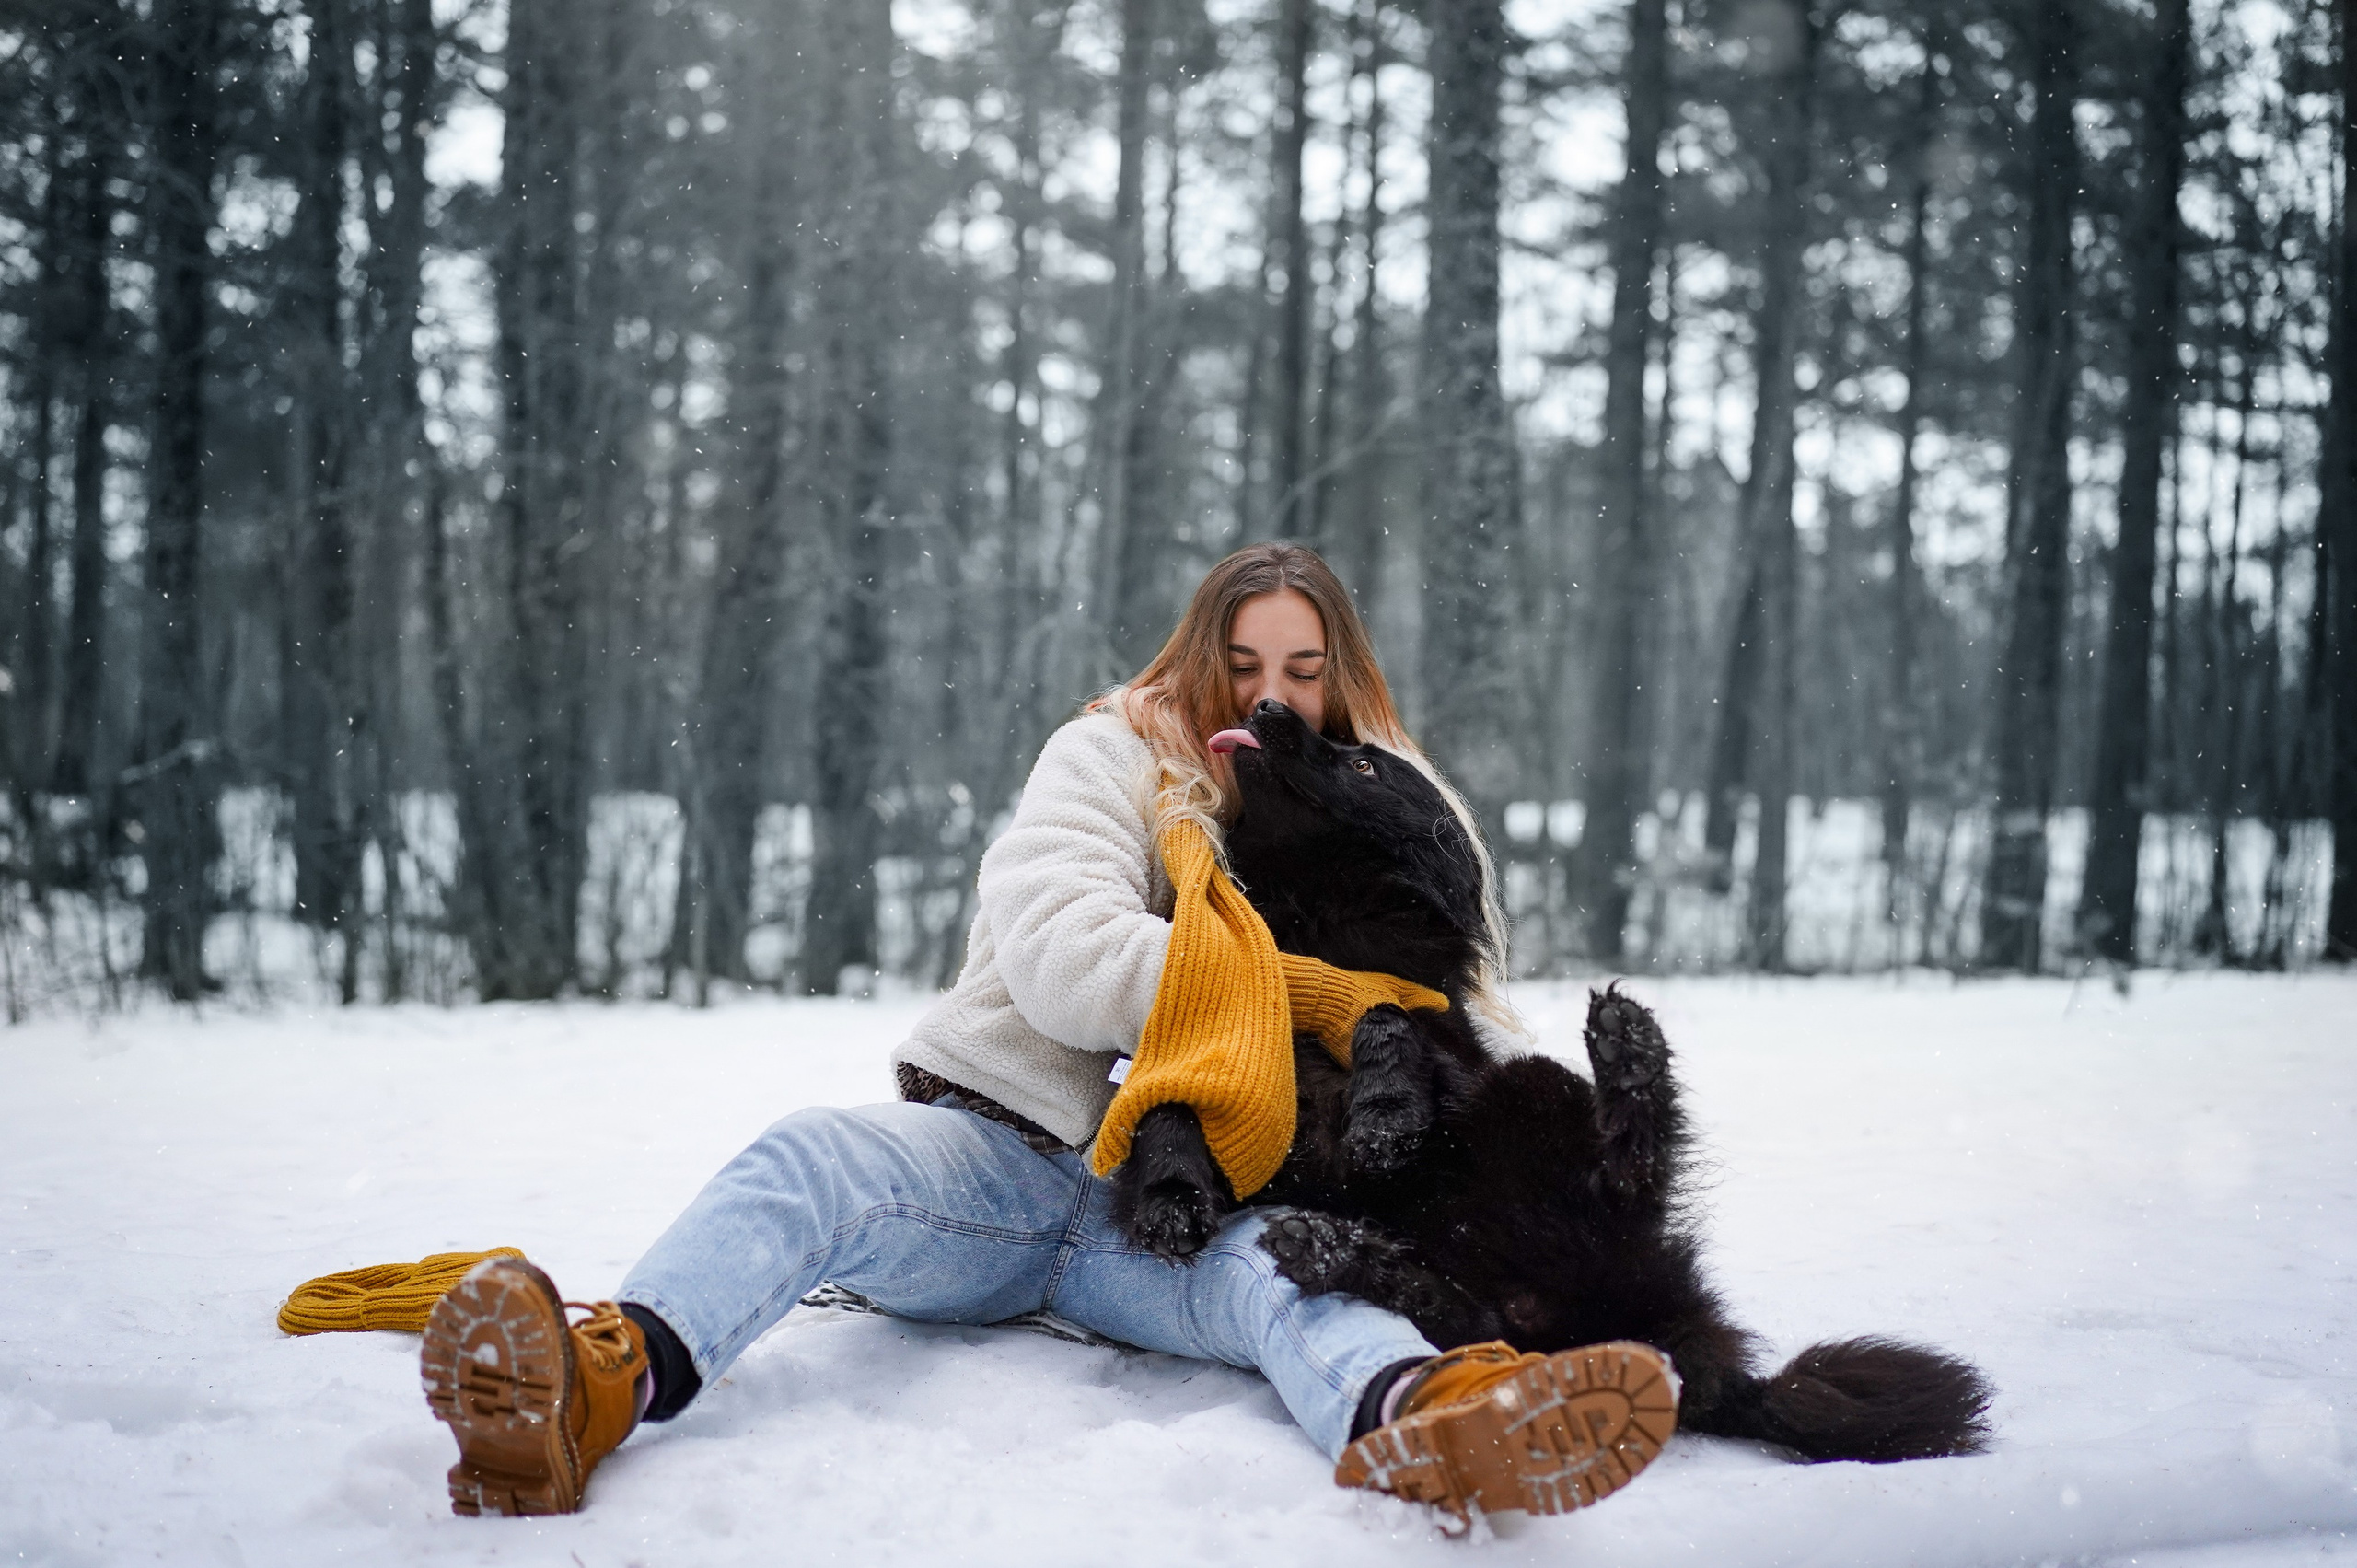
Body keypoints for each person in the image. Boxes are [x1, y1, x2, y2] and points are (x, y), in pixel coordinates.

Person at [419, 543, 1678, 1522]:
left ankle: (1440, 1421)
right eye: (1244, 665)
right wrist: (1302, 996)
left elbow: (1442, 1025)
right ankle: (594, 1386)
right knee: (810, 1158)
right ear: (1199, 660)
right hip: (1007, 1167)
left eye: (1303, 673)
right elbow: (1066, 960)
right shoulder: (1105, 760)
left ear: (1339, 685)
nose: (1268, 698)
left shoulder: (1371, 811)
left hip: (1194, 1217)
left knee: (1299, 1274)